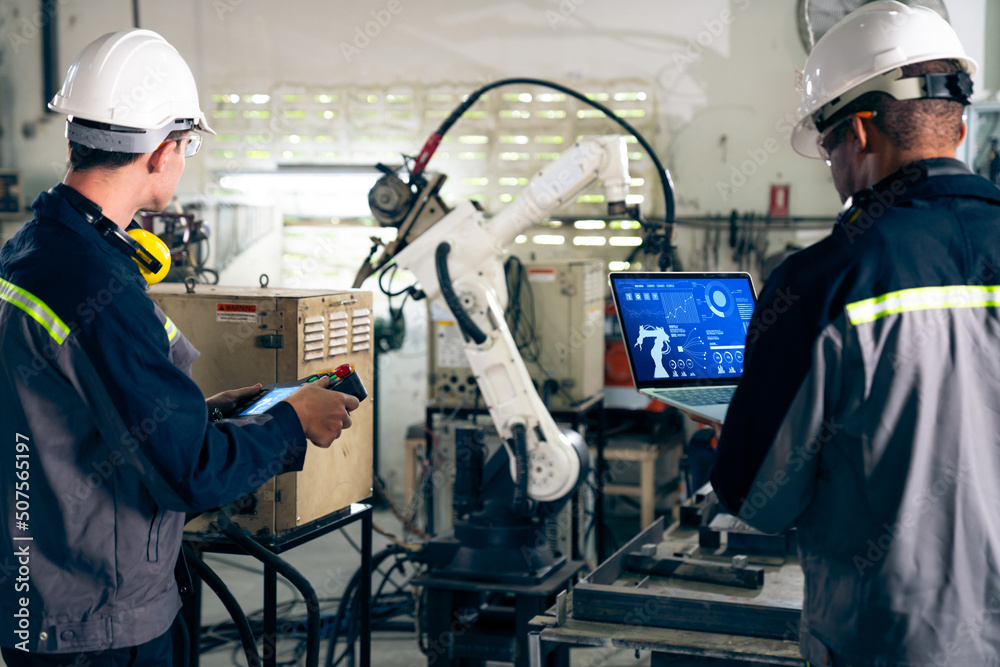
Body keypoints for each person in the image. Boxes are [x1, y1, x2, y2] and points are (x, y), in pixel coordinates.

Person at [0, 29, 358, 666]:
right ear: (164, 151)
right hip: (98, 622)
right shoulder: (99, 286)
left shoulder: (31, 253)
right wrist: (292, 421)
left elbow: (71, 417)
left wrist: (209, 410)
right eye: (190, 145)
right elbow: (189, 474)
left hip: (38, 600)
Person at [710, 2, 1000, 665]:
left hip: (890, 642)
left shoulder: (823, 280)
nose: (832, 167)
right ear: (956, 128)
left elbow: (756, 497)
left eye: (828, 145)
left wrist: (726, 446)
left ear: (860, 132)